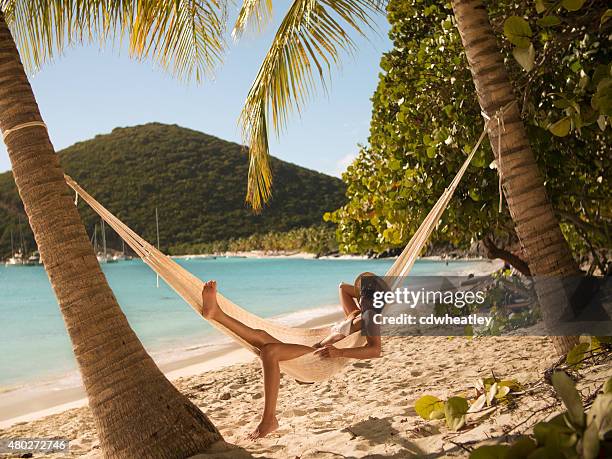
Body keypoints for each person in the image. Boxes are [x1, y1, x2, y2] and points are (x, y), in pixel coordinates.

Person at [200, 272, 387, 440]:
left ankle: (269, 420)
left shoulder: (371, 317)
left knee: (269, 351)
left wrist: (340, 352)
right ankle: (217, 314)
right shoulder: (354, 314)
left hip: (322, 361)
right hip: (311, 355)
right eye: (362, 293)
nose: (363, 297)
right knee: (262, 336)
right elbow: (343, 288)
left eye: (368, 294)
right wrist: (363, 291)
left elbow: (375, 349)